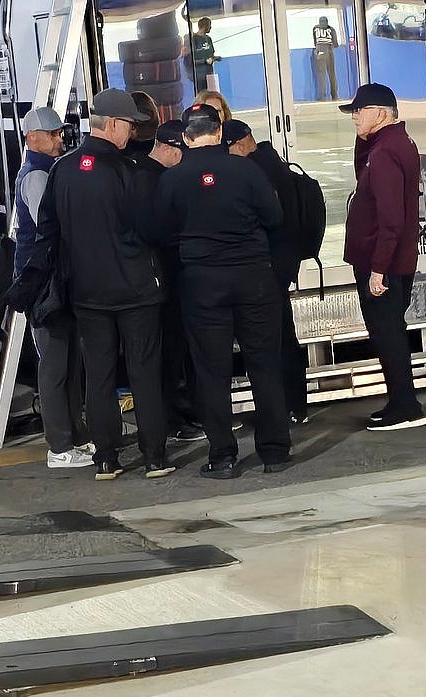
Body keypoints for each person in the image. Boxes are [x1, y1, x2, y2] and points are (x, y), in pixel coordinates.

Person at [14, 88, 177, 481]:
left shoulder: (63, 171)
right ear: (114, 124)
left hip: (87, 294)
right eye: (130, 126)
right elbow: (153, 230)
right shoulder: (130, 171)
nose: (132, 133)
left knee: (99, 377)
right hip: (136, 291)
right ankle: (154, 457)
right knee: (143, 372)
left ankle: (106, 459)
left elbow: (47, 232)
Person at [157, 104, 291, 477]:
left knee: (211, 371)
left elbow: (159, 230)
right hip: (253, 277)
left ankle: (222, 456)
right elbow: (275, 218)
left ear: (186, 138)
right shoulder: (247, 170)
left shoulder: (173, 179)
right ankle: (274, 451)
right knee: (264, 363)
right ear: (219, 132)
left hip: (202, 283)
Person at [340, 83, 426, 430]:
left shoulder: (386, 151)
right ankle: (399, 402)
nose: (354, 118)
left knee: (387, 334)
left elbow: (391, 218)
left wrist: (378, 269)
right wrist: (364, 140)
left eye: (359, 111)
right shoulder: (389, 144)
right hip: (389, 259)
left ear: (379, 113)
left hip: (384, 263)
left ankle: (406, 407)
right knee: (387, 332)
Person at [13, 107, 93, 470]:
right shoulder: (36, 176)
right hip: (45, 286)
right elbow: (51, 226)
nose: (60, 138)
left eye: (60, 132)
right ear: (32, 138)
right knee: (55, 365)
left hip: (52, 282)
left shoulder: (45, 170)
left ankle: (75, 437)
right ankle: (59, 446)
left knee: (68, 363)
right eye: (53, 134)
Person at [134, 118, 208, 444]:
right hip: (160, 280)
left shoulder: (150, 175)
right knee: (166, 353)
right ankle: (171, 420)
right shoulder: (150, 180)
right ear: (168, 148)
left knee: (174, 351)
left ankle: (180, 413)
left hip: (165, 279)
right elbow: (155, 231)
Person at [236, 120, 312, 423]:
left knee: (275, 341)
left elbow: (271, 217)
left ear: (241, 143)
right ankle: (296, 405)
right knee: (284, 337)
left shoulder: (258, 170)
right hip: (281, 264)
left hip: (270, 267)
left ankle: (287, 406)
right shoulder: (273, 163)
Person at [312, 16, 341, 101]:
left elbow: (315, 42)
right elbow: (335, 43)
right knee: (332, 74)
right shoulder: (331, 29)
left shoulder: (315, 28)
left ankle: (322, 97)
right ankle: (335, 96)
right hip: (329, 51)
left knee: (321, 75)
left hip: (319, 51)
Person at [189, 17, 220, 92]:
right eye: (209, 25)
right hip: (199, 77)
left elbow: (211, 55)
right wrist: (204, 61)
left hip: (210, 74)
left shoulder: (208, 39)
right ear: (204, 26)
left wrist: (215, 58)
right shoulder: (193, 39)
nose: (211, 27)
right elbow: (191, 60)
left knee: (212, 94)